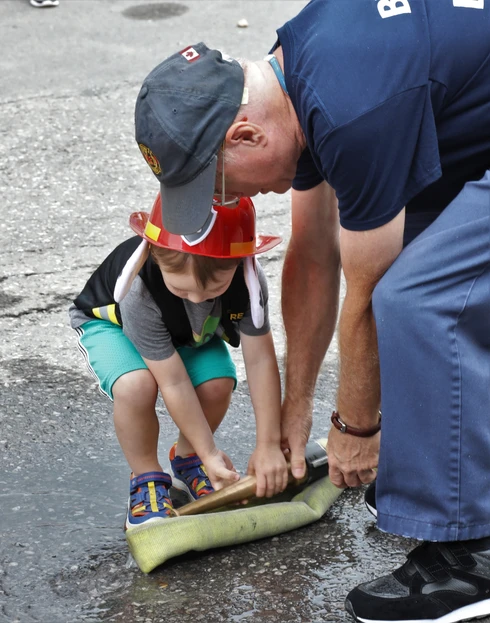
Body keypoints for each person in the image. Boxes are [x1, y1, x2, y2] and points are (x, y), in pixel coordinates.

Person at [131, 2, 490, 621]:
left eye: (219, 187)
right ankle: (452, 472)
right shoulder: (297, 77)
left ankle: (473, 557)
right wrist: (294, 415)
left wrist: (355, 431)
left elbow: (368, 294)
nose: (229, 201)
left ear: (246, 135)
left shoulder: (352, 113)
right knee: (412, 248)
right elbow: (315, 255)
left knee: (418, 294)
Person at [69, 193, 288, 531]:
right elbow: (172, 381)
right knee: (137, 386)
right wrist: (211, 452)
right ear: (155, 256)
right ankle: (146, 477)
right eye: (183, 290)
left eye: (214, 289)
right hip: (113, 326)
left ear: (239, 263)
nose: (198, 299)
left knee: (217, 383)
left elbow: (259, 360)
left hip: (185, 332)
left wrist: (268, 444)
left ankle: (188, 460)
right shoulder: (139, 289)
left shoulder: (249, 280)